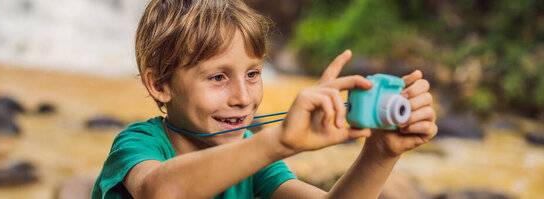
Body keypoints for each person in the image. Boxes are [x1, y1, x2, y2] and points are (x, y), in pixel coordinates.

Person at [91, 0, 437, 198]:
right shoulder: (138, 144)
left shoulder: (256, 159)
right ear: (159, 84)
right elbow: (162, 191)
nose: (243, 97)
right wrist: (279, 141)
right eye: (218, 77)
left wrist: (380, 154)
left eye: (253, 74)